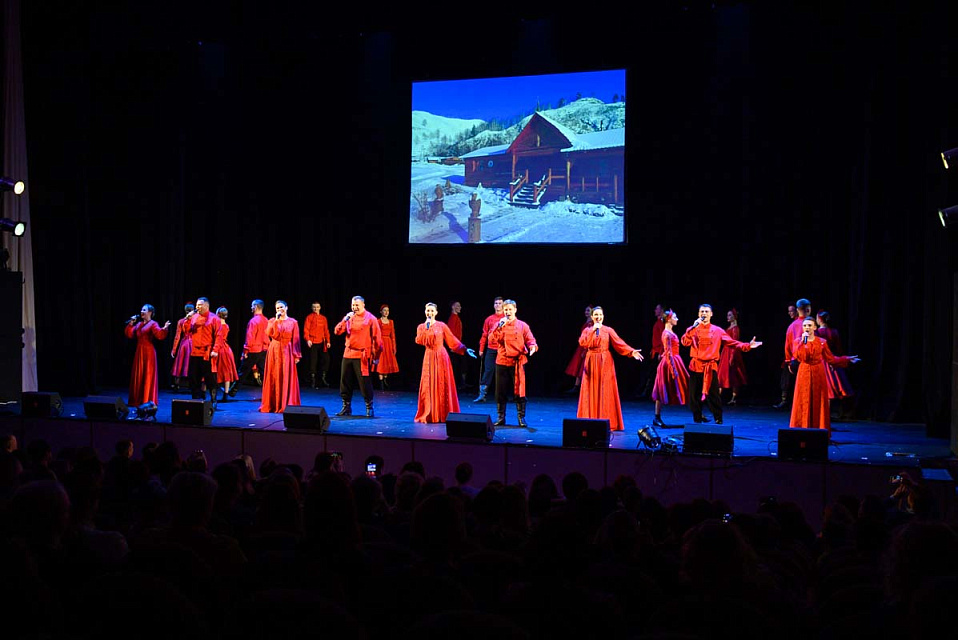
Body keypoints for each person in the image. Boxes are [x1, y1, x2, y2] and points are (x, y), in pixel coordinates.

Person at [681, 304, 762, 424]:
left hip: (710, 366)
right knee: (694, 396)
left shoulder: (718, 331)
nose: (704, 314)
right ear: (698, 314)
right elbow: (684, 342)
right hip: (696, 366)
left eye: (707, 311)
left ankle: (718, 419)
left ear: (711, 314)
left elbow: (732, 343)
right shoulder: (693, 330)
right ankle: (697, 419)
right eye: (702, 311)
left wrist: (747, 345)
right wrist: (693, 327)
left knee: (713, 395)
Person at [575, 306, 643, 431]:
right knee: (590, 391)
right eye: (596, 315)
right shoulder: (587, 330)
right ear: (592, 316)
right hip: (591, 362)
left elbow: (619, 343)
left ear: (603, 316)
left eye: (600, 315)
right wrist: (592, 330)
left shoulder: (608, 330)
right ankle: (589, 420)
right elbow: (583, 343)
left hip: (605, 363)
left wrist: (631, 352)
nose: (598, 317)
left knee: (605, 391)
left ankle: (606, 421)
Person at [790, 317, 859, 430]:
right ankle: (801, 430)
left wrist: (846, 359)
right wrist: (803, 342)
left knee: (818, 400)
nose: (807, 328)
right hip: (804, 372)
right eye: (805, 326)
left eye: (809, 325)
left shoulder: (822, 342)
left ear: (815, 327)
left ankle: (818, 430)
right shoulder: (798, 341)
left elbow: (830, 359)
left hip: (818, 372)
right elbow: (799, 357)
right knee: (802, 400)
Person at [414, 302, 476, 423]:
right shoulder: (421, 327)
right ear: (425, 311)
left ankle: (444, 413)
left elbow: (451, 339)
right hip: (429, 357)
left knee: (442, 384)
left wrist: (464, 349)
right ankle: (429, 412)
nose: (430, 313)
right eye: (428, 311)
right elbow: (420, 341)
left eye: (432, 311)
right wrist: (427, 328)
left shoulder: (441, 326)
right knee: (428, 384)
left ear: (436, 312)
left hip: (441, 357)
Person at [334, 296, 383, 417]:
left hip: (362, 355)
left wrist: (376, 356)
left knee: (364, 383)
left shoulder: (370, 319)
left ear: (363, 305)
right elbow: (337, 331)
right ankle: (346, 406)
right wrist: (345, 319)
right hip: (348, 353)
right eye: (353, 305)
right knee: (345, 381)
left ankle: (369, 407)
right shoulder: (349, 318)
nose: (354, 307)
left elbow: (378, 339)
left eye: (357, 305)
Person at [492, 299, 538, 427]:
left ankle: (521, 418)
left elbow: (530, 339)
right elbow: (492, 339)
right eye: (506, 309)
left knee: (519, 390)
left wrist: (533, 346)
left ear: (515, 310)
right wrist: (498, 327)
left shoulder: (522, 325)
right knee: (500, 391)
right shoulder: (499, 324)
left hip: (517, 362)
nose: (508, 312)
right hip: (502, 360)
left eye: (510, 309)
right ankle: (501, 417)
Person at [259, 300, 302, 413]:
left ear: (286, 308)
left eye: (281, 307)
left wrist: (296, 355)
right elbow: (268, 333)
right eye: (277, 308)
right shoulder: (272, 321)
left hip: (287, 350)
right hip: (274, 350)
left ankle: (285, 403)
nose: (279, 310)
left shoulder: (293, 322)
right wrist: (276, 321)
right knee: (274, 375)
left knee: (286, 376)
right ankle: (273, 404)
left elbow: (296, 340)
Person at [125, 304, 171, 406]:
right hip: (139, 353)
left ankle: (147, 400)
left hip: (149, 353)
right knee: (139, 375)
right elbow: (130, 334)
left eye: (144, 310)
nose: (142, 311)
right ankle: (137, 399)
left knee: (147, 375)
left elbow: (159, 335)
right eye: (141, 309)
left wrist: (164, 328)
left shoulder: (153, 324)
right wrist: (131, 323)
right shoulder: (139, 324)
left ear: (150, 312)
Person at [652, 309, 689, 426]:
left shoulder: (670, 332)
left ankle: (697, 412)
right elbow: (668, 353)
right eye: (675, 317)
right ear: (669, 319)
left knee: (686, 384)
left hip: (674, 360)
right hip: (669, 363)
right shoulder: (666, 334)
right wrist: (673, 370)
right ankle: (657, 417)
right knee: (661, 389)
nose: (677, 319)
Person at [816, 310, 856, 419]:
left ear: (819, 319)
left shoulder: (817, 333)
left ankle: (825, 415)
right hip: (833, 359)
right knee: (837, 387)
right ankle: (839, 412)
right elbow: (838, 348)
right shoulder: (834, 332)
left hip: (822, 361)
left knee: (825, 389)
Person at [186, 297, 225, 406]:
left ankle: (213, 400)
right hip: (194, 352)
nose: (197, 307)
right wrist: (188, 319)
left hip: (207, 353)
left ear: (206, 306)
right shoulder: (194, 317)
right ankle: (195, 399)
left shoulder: (214, 318)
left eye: (200, 305)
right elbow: (187, 331)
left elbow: (219, 335)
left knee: (209, 378)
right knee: (194, 377)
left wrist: (215, 349)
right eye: (197, 305)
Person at [775, 298, 810, 409]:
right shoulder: (809, 324)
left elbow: (788, 346)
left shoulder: (793, 326)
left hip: (796, 359)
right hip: (806, 359)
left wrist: (789, 361)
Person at [233, 300, 269, 394]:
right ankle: (271, 391)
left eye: (252, 306)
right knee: (265, 372)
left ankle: (233, 390)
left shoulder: (253, 321)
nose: (251, 308)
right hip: (264, 349)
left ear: (256, 307)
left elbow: (250, 337)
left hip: (254, 350)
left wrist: (245, 351)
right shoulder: (266, 320)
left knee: (243, 371)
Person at [474, 296, 505, 403]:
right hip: (491, 349)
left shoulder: (507, 317)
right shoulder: (489, 319)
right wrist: (481, 349)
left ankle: (503, 395)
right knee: (488, 370)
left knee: (503, 372)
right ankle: (482, 394)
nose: (498, 305)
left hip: (503, 349)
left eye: (500, 303)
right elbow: (484, 335)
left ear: (503, 305)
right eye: (496, 303)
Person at [717, 309, 748, 405]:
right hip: (725, 352)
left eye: (730, 315)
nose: (728, 317)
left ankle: (734, 398)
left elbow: (735, 343)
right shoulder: (730, 327)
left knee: (734, 375)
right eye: (727, 315)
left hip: (731, 352)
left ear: (734, 317)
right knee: (722, 375)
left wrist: (732, 357)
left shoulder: (735, 328)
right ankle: (718, 397)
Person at [563, 305, 593, 394]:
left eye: (588, 310)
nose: (586, 312)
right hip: (581, 346)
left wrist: (585, 350)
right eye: (585, 310)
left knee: (584, 367)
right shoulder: (587, 322)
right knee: (579, 367)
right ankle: (576, 387)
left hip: (586, 347)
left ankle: (584, 387)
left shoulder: (592, 323)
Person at [638, 303, 666, 398]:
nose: (655, 310)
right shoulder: (658, 322)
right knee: (651, 373)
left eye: (657, 309)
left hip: (659, 352)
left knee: (654, 373)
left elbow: (664, 338)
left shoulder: (662, 323)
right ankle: (648, 393)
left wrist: (661, 352)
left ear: (661, 310)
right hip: (655, 351)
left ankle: (650, 393)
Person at [303, 301, 331, 388]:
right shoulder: (309, 317)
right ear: (312, 308)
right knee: (313, 362)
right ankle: (313, 380)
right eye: (314, 307)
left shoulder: (323, 318)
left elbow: (326, 330)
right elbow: (306, 329)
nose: (316, 308)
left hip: (322, 342)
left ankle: (323, 378)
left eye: (317, 307)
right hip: (313, 342)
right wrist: (308, 340)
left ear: (320, 307)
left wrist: (328, 341)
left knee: (326, 360)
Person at [213, 307, 239, 402]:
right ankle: (226, 394)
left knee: (215, 370)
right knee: (226, 372)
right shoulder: (226, 325)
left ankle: (211, 392)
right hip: (226, 350)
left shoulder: (216, 325)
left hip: (219, 348)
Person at [169, 303, 194, 391]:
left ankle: (176, 384)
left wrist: (174, 349)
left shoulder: (181, 321)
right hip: (193, 344)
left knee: (180, 364)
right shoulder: (196, 320)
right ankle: (193, 385)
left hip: (184, 344)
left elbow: (177, 337)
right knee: (192, 364)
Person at [376, 304, 399, 389]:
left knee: (387, 361)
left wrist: (394, 347)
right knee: (381, 362)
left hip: (388, 343)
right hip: (381, 343)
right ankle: (381, 382)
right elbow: (376, 334)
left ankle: (385, 379)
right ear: (381, 312)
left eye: (387, 310)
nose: (386, 312)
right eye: (384, 310)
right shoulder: (378, 321)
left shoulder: (391, 322)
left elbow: (393, 335)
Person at [447, 301, 467, 390]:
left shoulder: (456, 318)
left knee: (461, 364)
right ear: (453, 307)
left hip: (458, 345)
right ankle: (456, 384)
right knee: (455, 365)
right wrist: (452, 346)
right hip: (454, 346)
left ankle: (461, 383)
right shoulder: (452, 318)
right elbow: (450, 333)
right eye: (457, 306)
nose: (460, 307)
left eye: (460, 305)